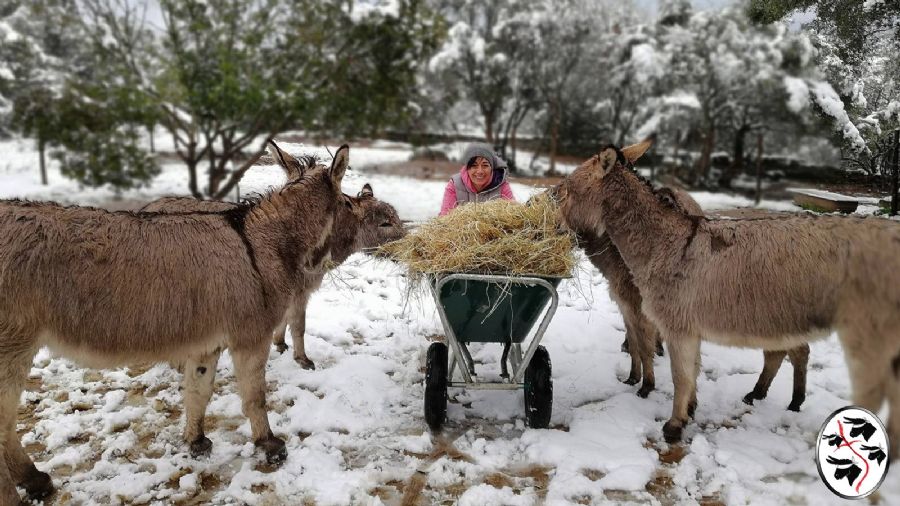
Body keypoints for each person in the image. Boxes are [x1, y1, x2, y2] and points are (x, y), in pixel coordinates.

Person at [439, 143, 515, 216]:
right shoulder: (455, 184)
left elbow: (513, 215)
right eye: (474, 166)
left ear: (492, 168)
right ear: (467, 168)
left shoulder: (501, 184)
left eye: (485, 165)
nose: (480, 171)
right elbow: (445, 217)